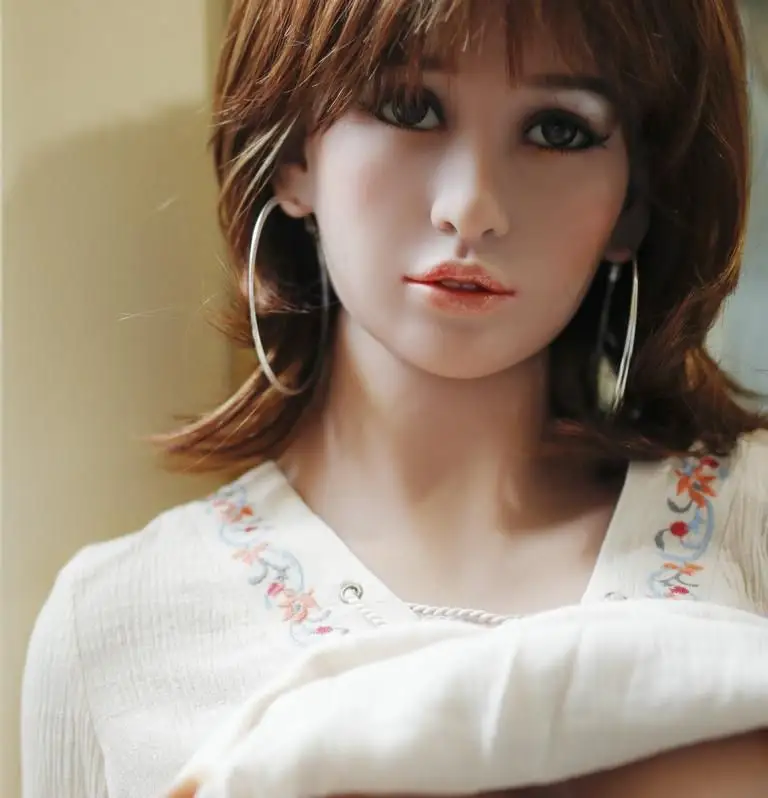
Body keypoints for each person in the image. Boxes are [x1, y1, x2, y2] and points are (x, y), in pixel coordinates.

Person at [21, 0, 768, 796]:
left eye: (558, 130)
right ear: (292, 155)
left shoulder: (753, 523)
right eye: (410, 109)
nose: (471, 207)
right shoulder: (114, 624)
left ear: (635, 203)